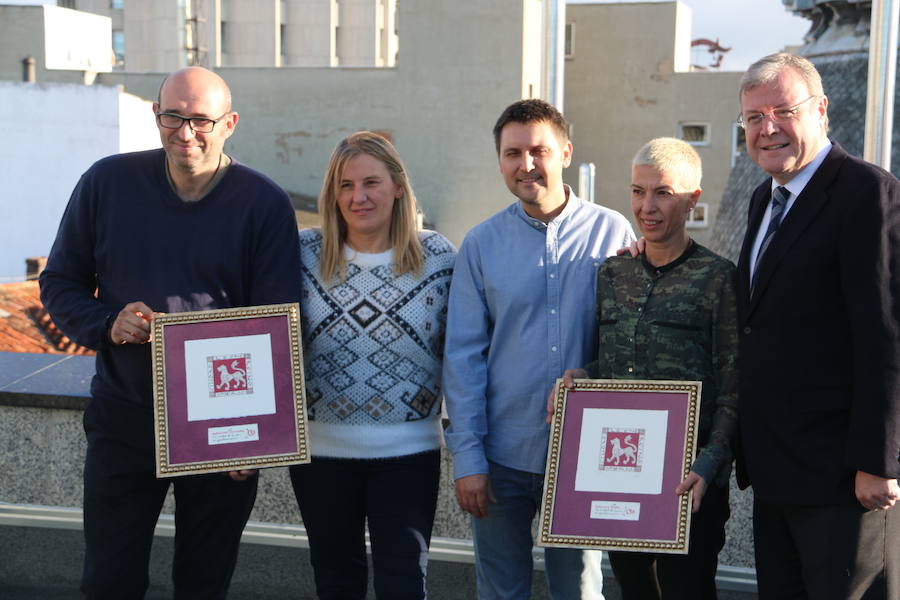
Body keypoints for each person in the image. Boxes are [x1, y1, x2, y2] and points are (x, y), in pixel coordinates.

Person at [39, 67, 302, 599]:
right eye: (172, 117)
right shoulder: (106, 183)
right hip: (125, 415)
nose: (185, 132)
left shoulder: (265, 204)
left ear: (228, 123)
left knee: (204, 581)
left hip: (222, 426)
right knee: (110, 578)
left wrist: (257, 435)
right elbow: (59, 283)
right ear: (155, 116)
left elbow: (280, 325)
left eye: (200, 120)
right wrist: (107, 323)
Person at [443, 99, 634, 599]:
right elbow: (463, 357)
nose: (526, 165)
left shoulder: (613, 233)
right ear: (500, 160)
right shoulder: (480, 244)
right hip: (500, 456)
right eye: (512, 154)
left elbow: (629, 341)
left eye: (538, 150)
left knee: (579, 594)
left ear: (566, 152)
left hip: (583, 457)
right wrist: (468, 459)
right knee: (500, 593)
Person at [734, 53, 900, 598]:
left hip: (843, 480)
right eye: (754, 118)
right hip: (776, 470)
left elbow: (886, 334)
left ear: (822, 109)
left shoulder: (865, 193)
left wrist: (879, 462)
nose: (768, 128)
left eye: (783, 110)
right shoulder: (765, 199)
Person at [557, 138, 738, 600]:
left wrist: (711, 463)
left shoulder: (719, 279)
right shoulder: (614, 275)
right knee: (634, 591)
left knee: (687, 591)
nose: (647, 206)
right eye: (638, 192)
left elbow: (734, 385)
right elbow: (619, 364)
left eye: (662, 192)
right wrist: (586, 377)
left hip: (689, 481)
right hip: (622, 474)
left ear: (692, 200)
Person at [289, 131, 455, 600]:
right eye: (345, 185)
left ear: (398, 186)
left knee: (404, 586)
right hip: (320, 456)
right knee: (336, 583)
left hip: (408, 454)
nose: (357, 197)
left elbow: (463, 353)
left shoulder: (438, 257)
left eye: (371, 183)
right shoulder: (301, 254)